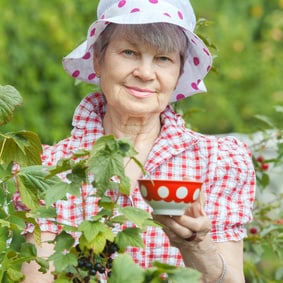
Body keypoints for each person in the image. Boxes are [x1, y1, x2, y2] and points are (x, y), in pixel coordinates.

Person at [19, 0, 256, 282]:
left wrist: (197, 246)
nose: (145, 73)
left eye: (163, 58)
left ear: (179, 73)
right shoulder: (51, 170)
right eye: (129, 52)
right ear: (98, 58)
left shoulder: (218, 161)